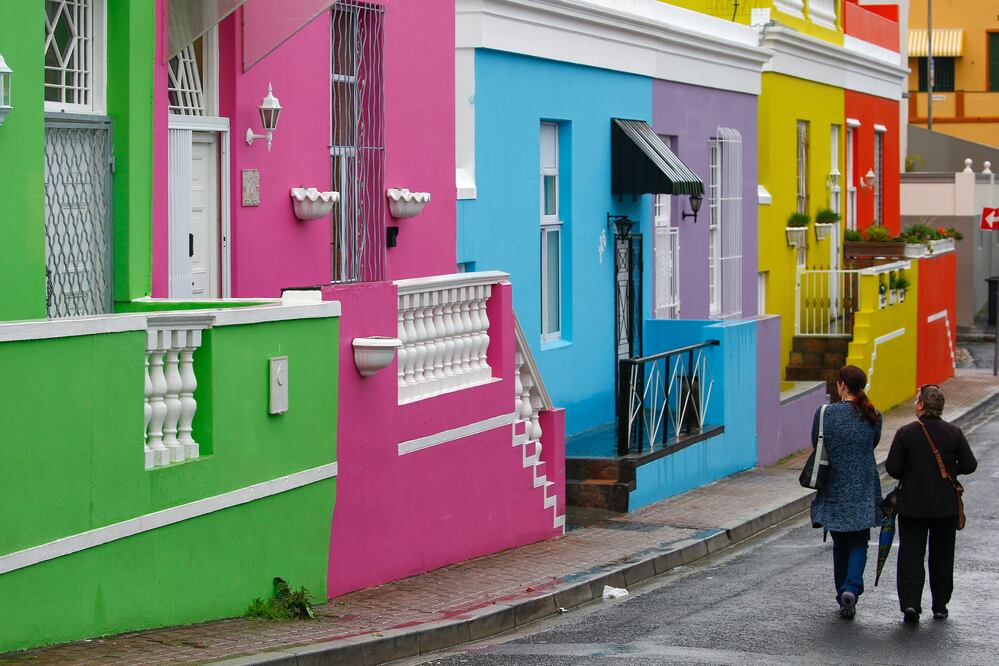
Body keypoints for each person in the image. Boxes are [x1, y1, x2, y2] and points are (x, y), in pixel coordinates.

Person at [885, 384, 977, 624]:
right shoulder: (954, 432)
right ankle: (940, 605)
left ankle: (911, 605)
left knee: (911, 554)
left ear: (922, 406)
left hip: (912, 506)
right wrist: (951, 469)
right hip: (945, 508)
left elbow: (893, 468)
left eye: (917, 401)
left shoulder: (906, 433)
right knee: (942, 556)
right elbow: (970, 465)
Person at [809, 365, 883, 620]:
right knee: (859, 542)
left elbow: (816, 443)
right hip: (862, 485)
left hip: (834, 485)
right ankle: (852, 587)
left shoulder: (825, 414)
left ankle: (843, 593)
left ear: (841, 384)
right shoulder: (873, 414)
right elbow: (873, 443)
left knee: (840, 543)